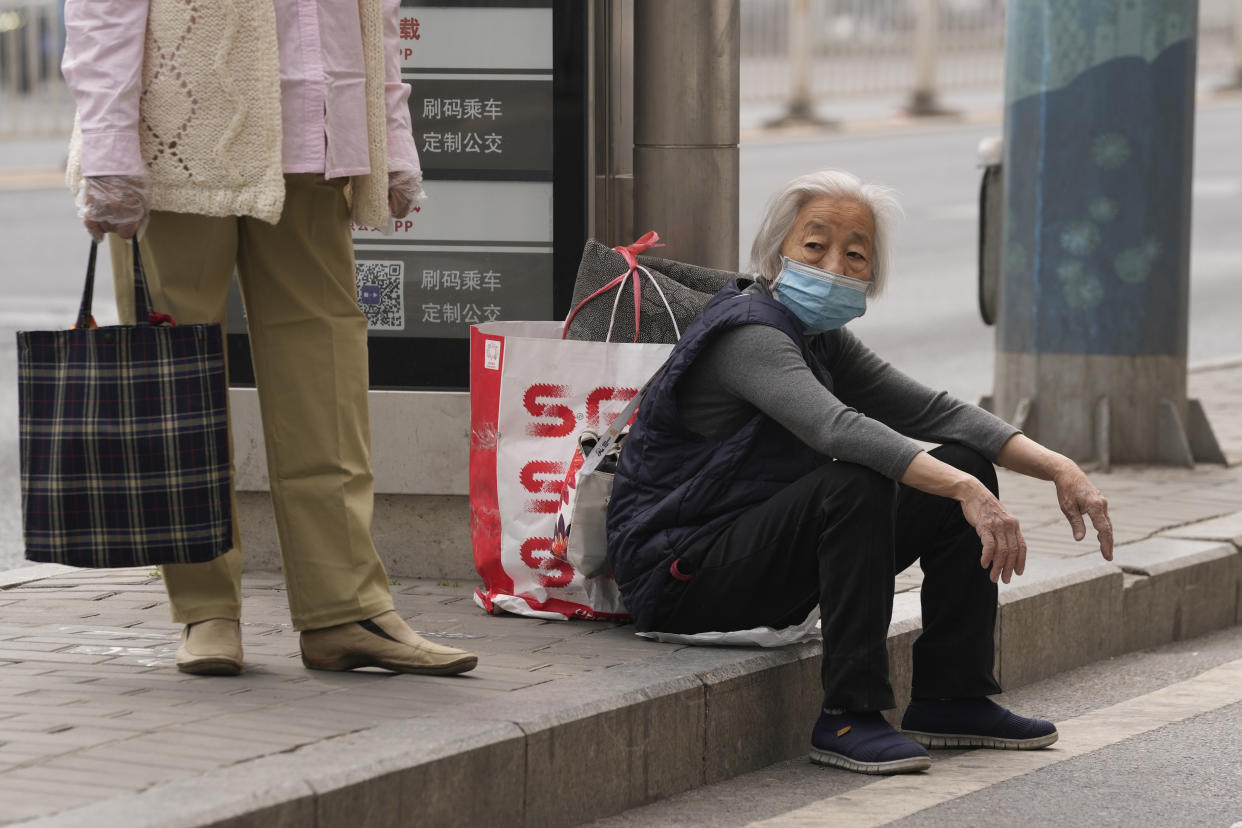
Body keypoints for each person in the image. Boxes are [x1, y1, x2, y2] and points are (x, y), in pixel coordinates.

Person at [606, 170, 1114, 775]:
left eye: (855, 253)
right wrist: (963, 489)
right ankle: (850, 714)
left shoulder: (822, 339)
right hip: (678, 576)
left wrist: (1059, 468)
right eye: (814, 245)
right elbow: (836, 429)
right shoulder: (747, 334)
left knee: (961, 461)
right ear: (776, 254)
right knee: (861, 479)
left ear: (871, 276)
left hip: (753, 556)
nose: (834, 265)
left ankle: (953, 697)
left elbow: (937, 412)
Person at [60, 0, 478, 678]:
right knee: (176, 385)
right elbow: (102, 11)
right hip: (179, 142)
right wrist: (110, 153)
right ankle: (206, 610)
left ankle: (346, 610)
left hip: (315, 148)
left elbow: (375, 20)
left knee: (327, 381)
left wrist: (390, 141)